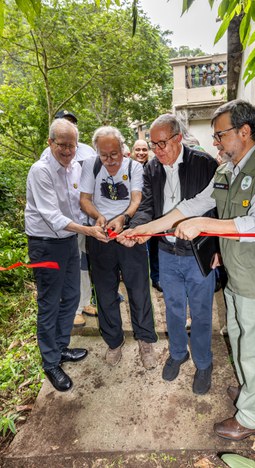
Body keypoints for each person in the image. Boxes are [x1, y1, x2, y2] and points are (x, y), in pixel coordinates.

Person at [124, 100, 255, 440]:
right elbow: (194, 205)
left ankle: (253, 416)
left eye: (220, 135)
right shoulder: (228, 169)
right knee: (241, 337)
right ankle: (253, 394)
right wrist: (146, 228)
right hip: (236, 273)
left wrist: (202, 226)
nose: (215, 142)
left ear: (244, 132)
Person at [119, 114, 218, 395]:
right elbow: (147, 206)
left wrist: (218, 250)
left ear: (178, 138)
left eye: (162, 144)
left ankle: (203, 361)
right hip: (167, 251)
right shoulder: (151, 168)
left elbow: (217, 209)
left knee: (200, 312)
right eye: (153, 145)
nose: (157, 150)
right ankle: (177, 353)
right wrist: (137, 231)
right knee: (172, 309)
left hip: (198, 253)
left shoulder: (205, 163)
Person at [25, 118, 107, 392]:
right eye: (62, 145)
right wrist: (87, 229)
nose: (68, 151)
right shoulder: (41, 170)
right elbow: (52, 215)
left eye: (72, 145)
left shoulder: (73, 167)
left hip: (69, 240)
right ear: (50, 143)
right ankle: (50, 363)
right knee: (49, 303)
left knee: (71, 297)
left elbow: (78, 205)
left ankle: (60, 348)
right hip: (45, 244)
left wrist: (97, 219)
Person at [79, 126, 158, 370]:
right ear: (97, 152)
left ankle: (145, 340)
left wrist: (123, 218)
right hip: (100, 237)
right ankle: (114, 341)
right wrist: (99, 217)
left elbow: (136, 199)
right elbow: (85, 199)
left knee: (139, 289)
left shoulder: (134, 166)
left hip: (128, 234)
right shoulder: (91, 166)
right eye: (105, 155)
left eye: (115, 154)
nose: (110, 160)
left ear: (123, 149)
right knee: (104, 291)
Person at [40, 109, 97, 328]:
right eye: (62, 122)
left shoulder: (86, 151)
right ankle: (72, 310)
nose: (67, 149)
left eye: (71, 123)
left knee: (82, 264)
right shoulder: (46, 158)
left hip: (81, 220)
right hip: (58, 227)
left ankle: (85, 302)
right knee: (64, 269)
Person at [132, 139, 162, 293]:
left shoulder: (155, 167)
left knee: (155, 249)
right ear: (132, 151)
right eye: (138, 149)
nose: (141, 153)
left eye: (144, 149)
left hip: (154, 215)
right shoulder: (128, 168)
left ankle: (156, 278)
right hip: (136, 216)